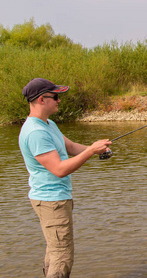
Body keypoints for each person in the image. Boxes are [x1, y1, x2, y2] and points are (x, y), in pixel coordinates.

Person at [18, 78, 112, 278]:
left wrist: (96, 149)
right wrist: (90, 151)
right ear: (42, 99)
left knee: (55, 250)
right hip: (51, 201)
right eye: (56, 96)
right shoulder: (36, 132)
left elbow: (69, 147)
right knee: (62, 255)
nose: (59, 100)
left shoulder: (47, 124)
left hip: (55, 199)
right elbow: (59, 169)